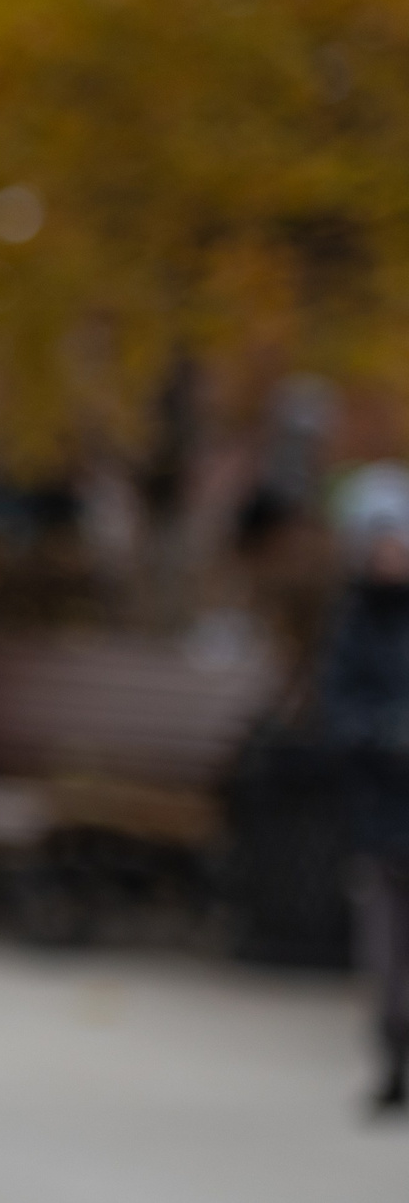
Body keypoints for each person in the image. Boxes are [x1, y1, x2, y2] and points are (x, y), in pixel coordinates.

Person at [319, 462, 409, 1113]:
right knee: (382, 947)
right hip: (380, 807)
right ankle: (393, 1055)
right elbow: (338, 709)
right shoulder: (353, 622)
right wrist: (383, 734)